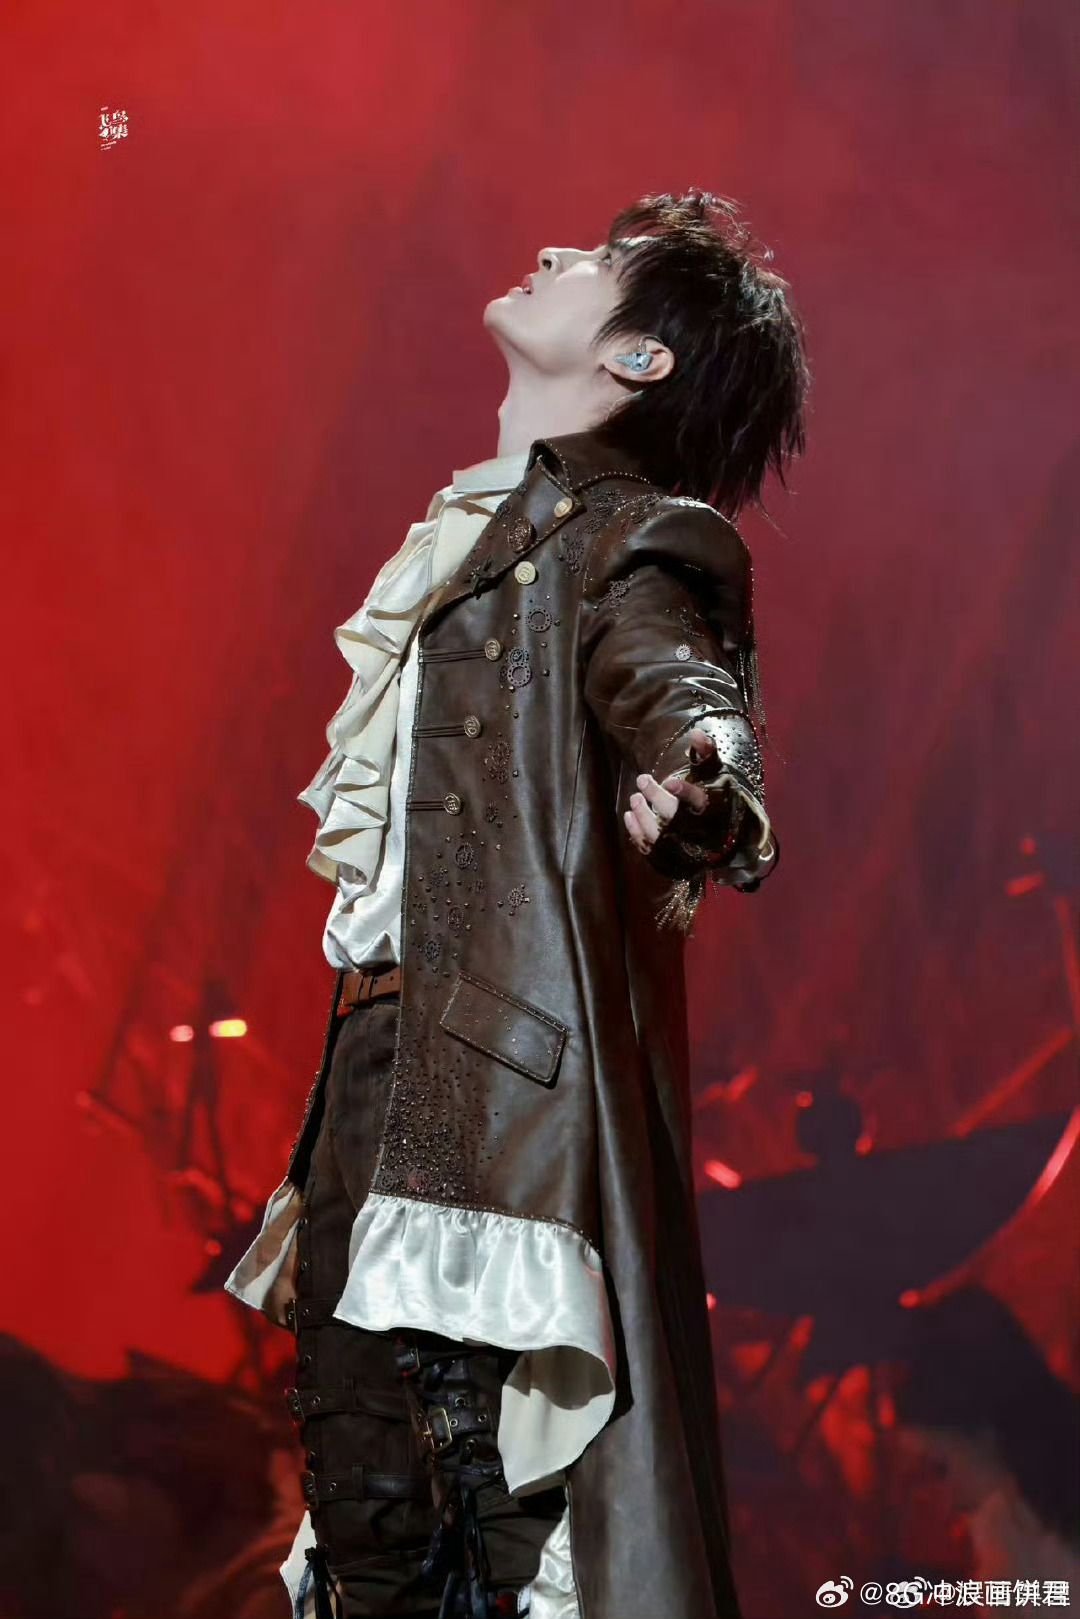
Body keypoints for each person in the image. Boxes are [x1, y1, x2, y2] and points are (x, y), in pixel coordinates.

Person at [227, 187, 809, 1619]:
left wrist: (707, 780)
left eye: (603, 263)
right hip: (374, 1078)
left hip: (489, 1113)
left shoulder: (631, 538)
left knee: (480, 1528)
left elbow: (678, 686)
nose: (553, 254)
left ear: (640, 358)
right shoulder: (487, 539)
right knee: (369, 1525)